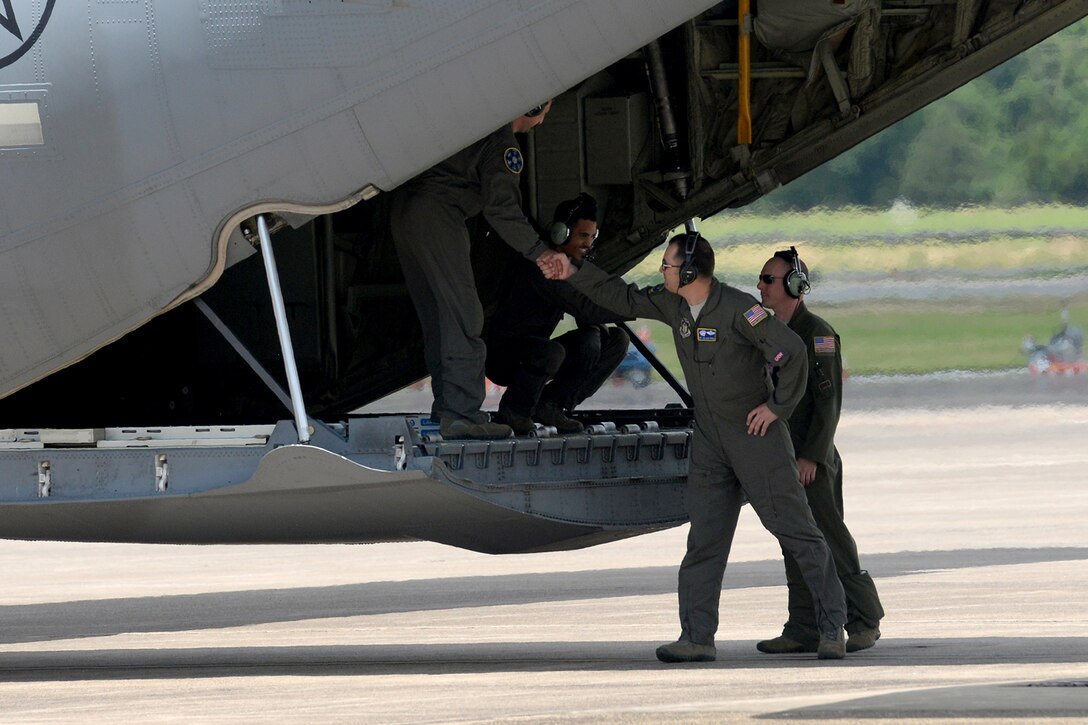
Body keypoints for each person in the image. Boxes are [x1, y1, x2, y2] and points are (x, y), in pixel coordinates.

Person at [549, 233, 848, 662]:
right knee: (705, 540)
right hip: (709, 438)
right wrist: (574, 270)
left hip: (754, 436)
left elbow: (793, 351)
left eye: (668, 265)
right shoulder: (672, 305)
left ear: (689, 271)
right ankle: (696, 636)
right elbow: (620, 296)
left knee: (796, 531)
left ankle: (831, 626)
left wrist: (776, 408)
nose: (662, 271)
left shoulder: (739, 308)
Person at [390, 102, 573, 440]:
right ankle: (462, 415)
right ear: (532, 106)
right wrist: (540, 252)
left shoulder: (473, 123)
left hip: (407, 211)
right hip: (438, 214)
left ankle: (449, 409)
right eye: (545, 107)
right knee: (464, 316)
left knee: (440, 320)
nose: (544, 117)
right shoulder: (503, 143)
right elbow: (501, 208)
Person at [755, 249, 884, 654]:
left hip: (812, 459)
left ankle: (864, 619)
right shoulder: (770, 332)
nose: (760, 286)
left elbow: (828, 404)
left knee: (829, 538)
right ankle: (804, 625)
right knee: (792, 541)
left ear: (794, 287)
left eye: (768, 280)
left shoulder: (818, 335)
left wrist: (811, 455)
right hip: (782, 456)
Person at [485, 194, 631, 434]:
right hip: (504, 356)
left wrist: (595, 330)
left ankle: (552, 405)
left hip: (537, 353)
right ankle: (514, 411)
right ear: (560, 234)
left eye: (592, 237)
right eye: (583, 236)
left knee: (615, 340)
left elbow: (588, 316)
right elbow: (585, 307)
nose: (588, 244)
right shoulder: (543, 266)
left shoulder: (569, 266)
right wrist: (637, 305)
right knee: (553, 351)